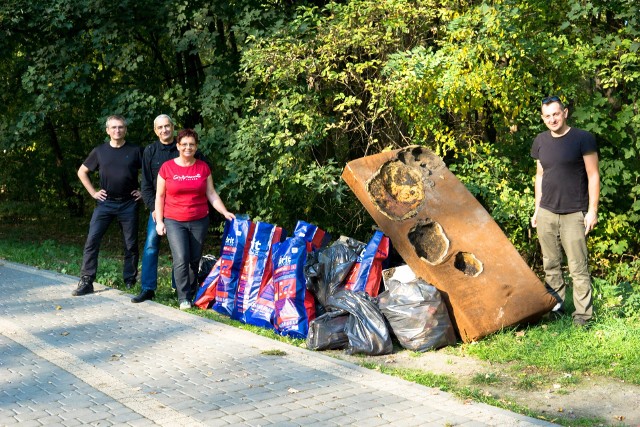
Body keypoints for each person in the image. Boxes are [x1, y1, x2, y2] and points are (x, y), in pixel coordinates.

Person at [530, 96, 600, 327]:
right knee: (551, 265)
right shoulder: (540, 141)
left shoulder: (583, 138)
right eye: (547, 115)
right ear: (543, 118)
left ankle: (583, 317)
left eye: (556, 114)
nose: (552, 119)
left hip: (574, 213)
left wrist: (592, 211)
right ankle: (556, 310)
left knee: (578, 268)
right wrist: (537, 210)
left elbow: (593, 175)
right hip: (547, 212)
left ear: (565, 112)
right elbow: (540, 176)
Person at [154, 128, 235, 310]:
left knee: (194, 258)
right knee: (181, 257)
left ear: (196, 146)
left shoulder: (203, 168)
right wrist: (160, 221)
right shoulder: (167, 168)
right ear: (178, 146)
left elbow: (211, 194)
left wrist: (224, 212)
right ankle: (183, 297)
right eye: (184, 144)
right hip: (174, 219)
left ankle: (191, 292)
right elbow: (159, 196)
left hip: (199, 219)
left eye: (191, 144)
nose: (188, 148)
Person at [132, 114, 208, 304]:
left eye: (167, 126)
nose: (164, 130)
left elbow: (203, 171)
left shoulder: (184, 145)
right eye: (160, 127)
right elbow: (147, 185)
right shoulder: (150, 151)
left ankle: (179, 288)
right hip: (158, 208)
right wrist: (154, 210)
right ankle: (148, 288)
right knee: (151, 245)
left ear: (173, 127)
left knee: (182, 253)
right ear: (155, 130)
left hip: (184, 212)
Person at [73, 115, 143, 296]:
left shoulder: (135, 150)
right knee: (92, 240)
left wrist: (143, 191)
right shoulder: (100, 151)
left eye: (120, 127)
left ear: (125, 129)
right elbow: (82, 172)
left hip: (129, 202)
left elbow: (152, 172)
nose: (117, 130)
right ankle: (87, 281)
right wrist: (93, 192)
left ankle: (129, 280)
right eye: (113, 127)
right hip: (105, 203)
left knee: (130, 244)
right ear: (107, 131)